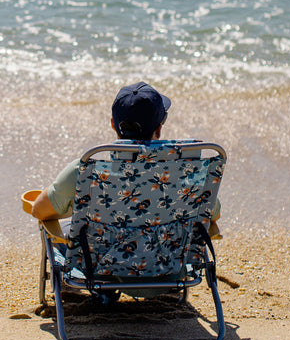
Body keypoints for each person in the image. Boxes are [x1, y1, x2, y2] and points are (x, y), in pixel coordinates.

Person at [30, 80, 221, 234]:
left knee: (61, 230)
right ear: (159, 129)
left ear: (113, 124)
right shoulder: (187, 174)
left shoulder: (85, 171)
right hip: (169, 268)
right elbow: (213, 214)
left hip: (98, 271)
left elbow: (39, 210)